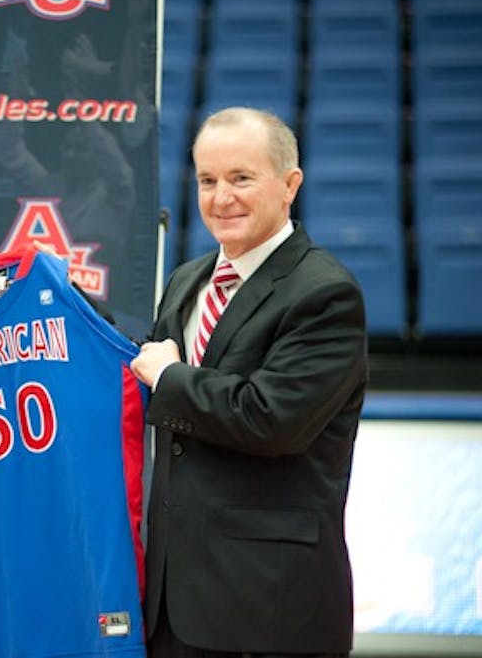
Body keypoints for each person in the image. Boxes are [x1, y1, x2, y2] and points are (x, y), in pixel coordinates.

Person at [130, 107, 367, 658]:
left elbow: (271, 420)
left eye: (241, 178)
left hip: (269, 609)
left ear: (290, 185)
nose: (221, 198)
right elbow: (149, 377)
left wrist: (168, 376)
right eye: (208, 181)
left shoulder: (324, 293)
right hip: (172, 606)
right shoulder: (187, 279)